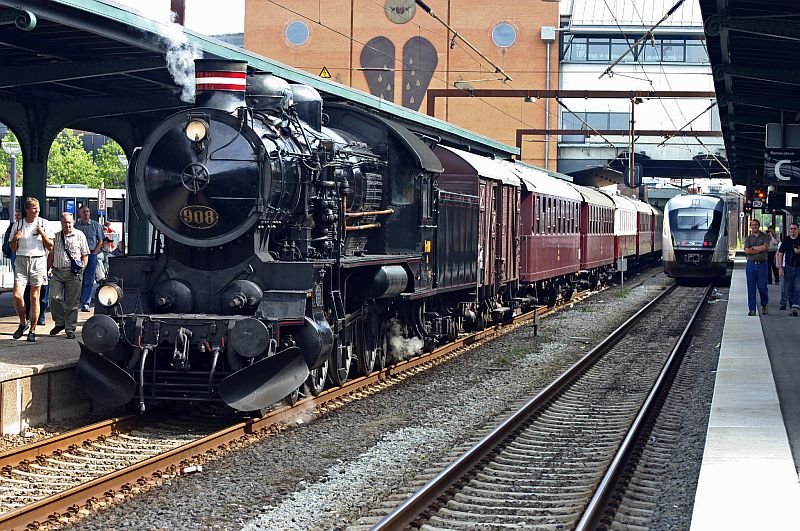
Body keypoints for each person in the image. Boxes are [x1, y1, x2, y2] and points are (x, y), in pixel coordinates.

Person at [9, 197, 53, 342]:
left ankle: (33, 329)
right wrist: (16, 238)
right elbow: (13, 248)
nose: (37, 210)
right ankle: (23, 322)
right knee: (17, 295)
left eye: (38, 208)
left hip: (38, 259)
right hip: (21, 260)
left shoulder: (44, 223)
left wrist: (42, 233)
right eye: (34, 208)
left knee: (35, 297)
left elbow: (50, 246)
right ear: (27, 210)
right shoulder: (18, 224)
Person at [47, 212, 89, 339]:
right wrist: (46, 269)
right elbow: (51, 254)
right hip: (58, 272)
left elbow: (85, 254)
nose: (68, 225)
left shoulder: (80, 235)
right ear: (61, 223)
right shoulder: (56, 236)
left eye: (69, 222)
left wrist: (82, 269)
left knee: (72, 303)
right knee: (54, 297)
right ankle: (60, 322)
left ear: (73, 222)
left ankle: (70, 328)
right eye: (65, 222)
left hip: (73, 273)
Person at [74, 206, 103, 312]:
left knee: (89, 279)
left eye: (87, 211)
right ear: (80, 214)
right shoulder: (76, 226)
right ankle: (76, 301)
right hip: (79, 255)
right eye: (83, 212)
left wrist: (95, 253)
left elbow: (100, 240)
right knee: (77, 278)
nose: (86, 214)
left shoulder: (96, 225)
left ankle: (86, 303)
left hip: (91, 255)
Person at [743, 218, 770, 316]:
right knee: (751, 287)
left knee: (762, 287)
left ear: (759, 226)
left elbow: (766, 247)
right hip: (751, 265)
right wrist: (760, 249)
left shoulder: (765, 236)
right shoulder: (748, 238)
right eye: (752, 225)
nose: (754, 226)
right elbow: (747, 251)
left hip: (762, 265)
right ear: (751, 227)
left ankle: (764, 304)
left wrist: (753, 248)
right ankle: (752, 309)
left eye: (756, 225)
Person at [776, 222, 800, 317]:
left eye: (794, 228)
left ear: (798, 229)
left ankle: (795, 308)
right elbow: (780, 253)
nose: (792, 231)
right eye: (791, 229)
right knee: (788, 289)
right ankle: (793, 306)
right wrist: (780, 267)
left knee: (797, 288)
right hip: (788, 267)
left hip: (798, 267)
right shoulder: (786, 240)